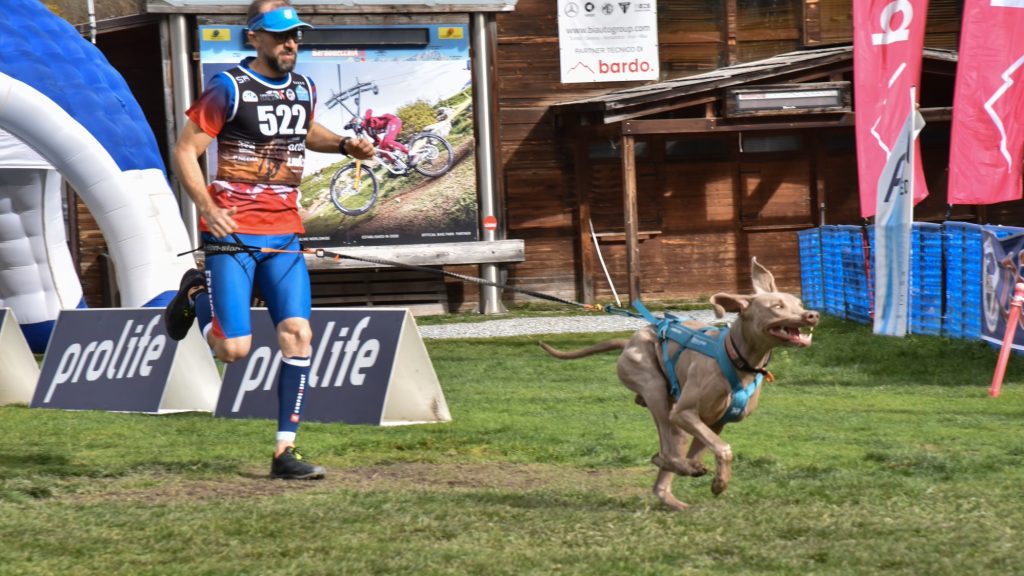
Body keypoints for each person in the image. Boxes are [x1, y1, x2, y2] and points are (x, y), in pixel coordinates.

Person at [163, 0, 374, 480]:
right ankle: (196, 295)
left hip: (284, 232)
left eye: (295, 35)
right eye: (280, 35)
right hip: (234, 233)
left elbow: (306, 130)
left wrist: (345, 144)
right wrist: (208, 209)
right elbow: (186, 150)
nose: (290, 43)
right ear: (254, 37)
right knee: (233, 350)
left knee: (298, 334)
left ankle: (284, 453)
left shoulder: (303, 87)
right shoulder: (229, 87)